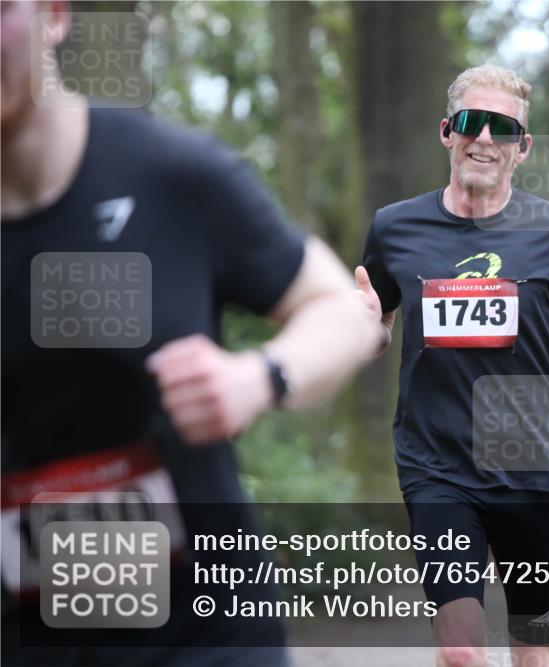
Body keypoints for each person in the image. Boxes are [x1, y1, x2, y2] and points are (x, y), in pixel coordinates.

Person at [1, 2, 378, 665]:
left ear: (53, 15)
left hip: (209, 637)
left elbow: (346, 310)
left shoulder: (171, 174)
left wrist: (259, 376)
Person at [355, 63, 549, 666]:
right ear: (447, 132)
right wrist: (365, 328)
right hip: (437, 468)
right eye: (471, 122)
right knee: (462, 652)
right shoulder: (395, 227)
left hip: (534, 471)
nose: (484, 137)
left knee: (535, 651)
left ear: (522, 147)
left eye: (502, 127)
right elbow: (376, 332)